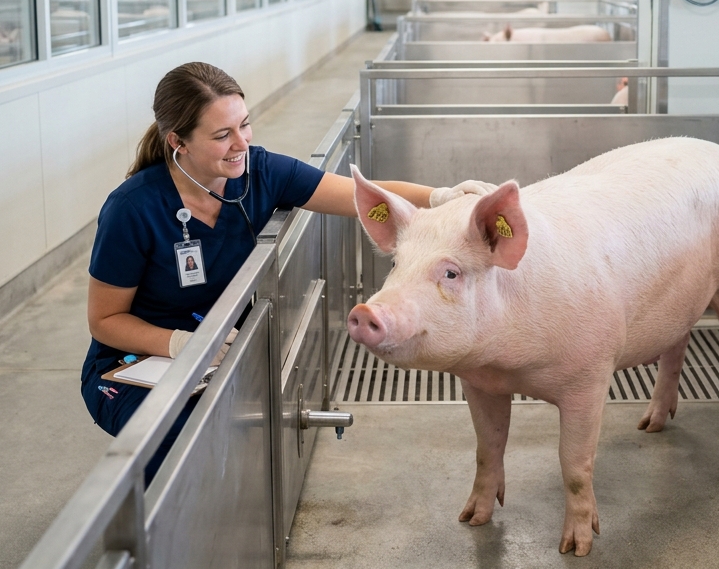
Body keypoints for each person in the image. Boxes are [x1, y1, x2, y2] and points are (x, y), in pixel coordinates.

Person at [82, 61, 488, 481]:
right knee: (179, 446)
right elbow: (105, 320)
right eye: (222, 135)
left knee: (223, 449)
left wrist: (441, 198)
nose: (241, 142)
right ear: (177, 142)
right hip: (135, 364)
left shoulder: (260, 173)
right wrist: (183, 343)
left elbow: (358, 195)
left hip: (220, 355)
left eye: (244, 125)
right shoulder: (132, 210)